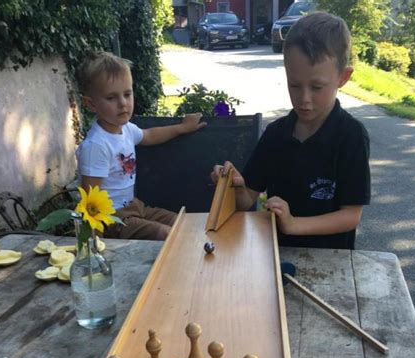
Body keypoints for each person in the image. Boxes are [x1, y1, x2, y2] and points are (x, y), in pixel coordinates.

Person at [212, 12, 370, 249]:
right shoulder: (276, 134)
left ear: (343, 77)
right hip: (275, 255)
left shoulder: (351, 136)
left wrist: (293, 224)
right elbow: (246, 201)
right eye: (294, 85)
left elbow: (351, 215)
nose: (304, 99)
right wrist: (233, 184)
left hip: (332, 262)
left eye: (317, 87)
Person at [77, 51, 205, 240]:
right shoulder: (96, 146)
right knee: (164, 234)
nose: (123, 104)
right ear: (90, 104)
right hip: (112, 218)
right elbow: (90, 201)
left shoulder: (126, 129)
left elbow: (149, 135)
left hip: (136, 207)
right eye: (111, 98)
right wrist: (97, 246)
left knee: (183, 222)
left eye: (127, 94)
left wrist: (182, 128)